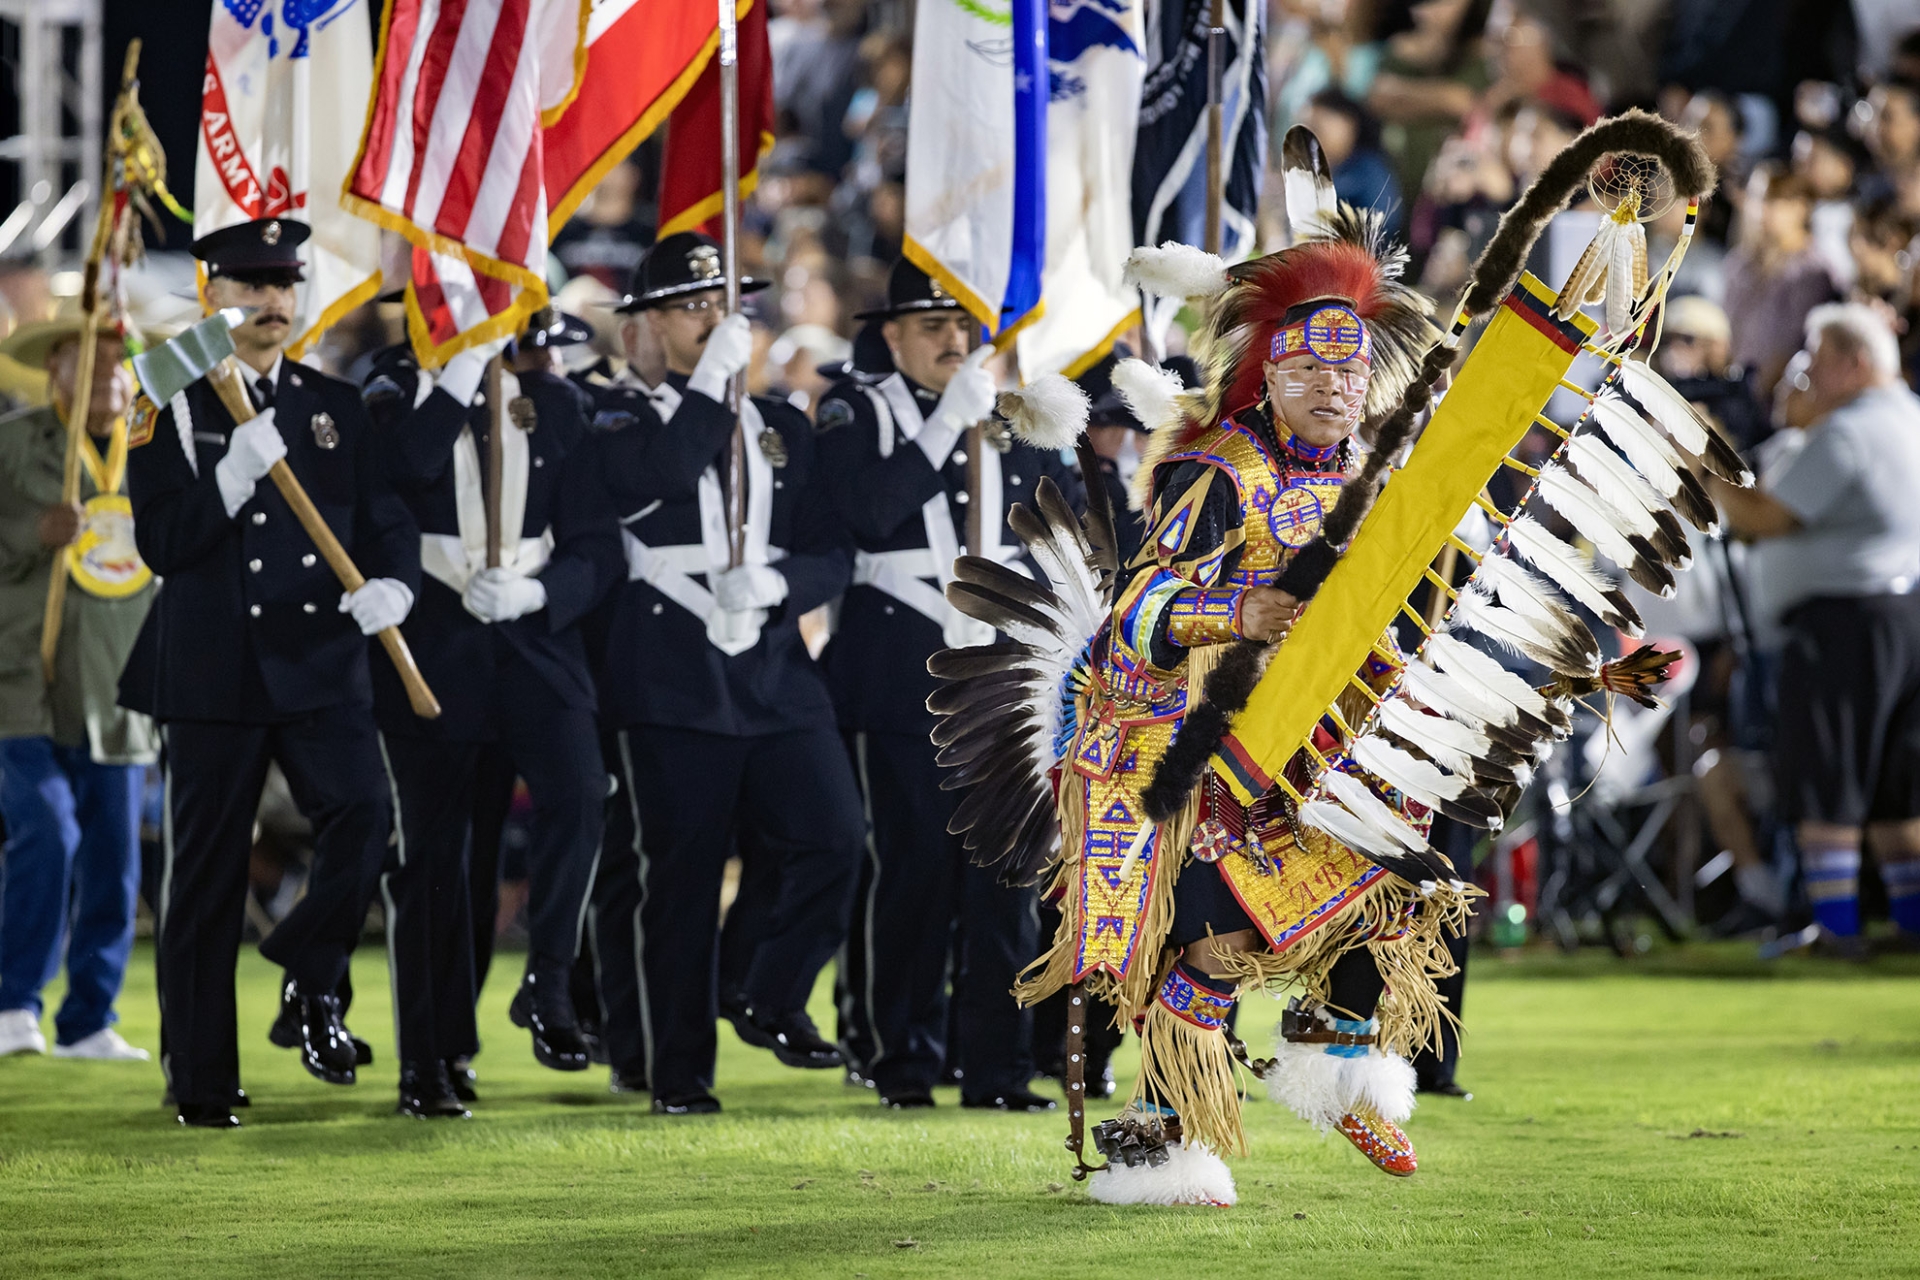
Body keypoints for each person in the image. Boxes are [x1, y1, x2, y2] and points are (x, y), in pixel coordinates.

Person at [121, 218, 419, 1128]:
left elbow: (380, 518)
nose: (274, 303)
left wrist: (395, 585)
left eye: (286, 284)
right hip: (212, 669)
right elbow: (164, 545)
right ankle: (202, 1079)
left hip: (319, 660)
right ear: (210, 294)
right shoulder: (164, 402)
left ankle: (305, 960)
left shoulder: (332, 404)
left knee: (367, 817)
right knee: (206, 880)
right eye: (252, 286)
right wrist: (229, 480)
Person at [584, 231, 865, 1114]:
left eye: (721, 306)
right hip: (670, 671)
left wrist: (783, 580)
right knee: (682, 878)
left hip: (775, 667)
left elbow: (832, 549)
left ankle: (761, 988)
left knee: (832, 837)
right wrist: (711, 384)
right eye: (690, 309)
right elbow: (662, 478)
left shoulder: (781, 425)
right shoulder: (620, 416)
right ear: (649, 325)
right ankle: (677, 1075)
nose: (712, 322)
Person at [813, 258, 1082, 1112]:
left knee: (1007, 880)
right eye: (933, 327)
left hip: (1005, 681)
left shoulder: (1010, 418)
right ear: (890, 334)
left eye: (963, 327)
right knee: (914, 876)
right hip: (900, 676)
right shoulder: (855, 408)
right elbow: (867, 512)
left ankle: (996, 1071)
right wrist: (941, 431)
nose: (954, 343)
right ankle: (904, 1063)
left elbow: (1065, 529)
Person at [359, 308, 620, 1116]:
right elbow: (409, 461)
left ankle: (546, 978)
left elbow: (596, 542)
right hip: (437, 643)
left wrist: (543, 590)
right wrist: (461, 371)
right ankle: (431, 1057)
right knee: (442, 863)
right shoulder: (395, 389)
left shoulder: (560, 404)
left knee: (580, 790)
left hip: (536, 644)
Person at [1712, 302, 1920, 955]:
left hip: (1844, 623)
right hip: (1897, 617)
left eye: (1816, 356)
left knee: (1828, 777)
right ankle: (1909, 927)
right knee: (1894, 790)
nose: (1799, 369)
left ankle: (1837, 931)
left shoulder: (1850, 430)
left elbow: (1767, 517)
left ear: (1854, 363)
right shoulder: (1905, 416)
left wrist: (1704, 462)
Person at [0, 318, 156, 1061]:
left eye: (117, 368)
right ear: (53, 373)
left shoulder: (153, 452)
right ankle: (11, 1002)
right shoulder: (13, 444)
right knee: (48, 831)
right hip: (23, 679)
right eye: (87, 366)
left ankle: (89, 1018)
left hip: (120, 682)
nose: (107, 380)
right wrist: (30, 532)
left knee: (115, 858)